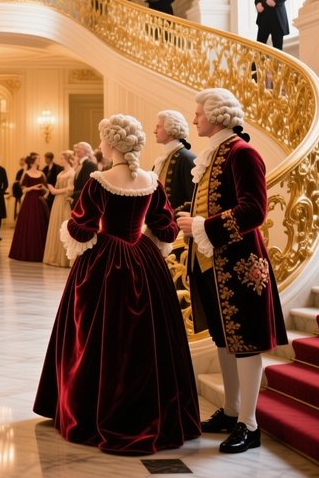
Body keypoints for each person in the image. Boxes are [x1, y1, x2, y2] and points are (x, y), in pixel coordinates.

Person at [34, 114, 201, 455]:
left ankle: (91, 410)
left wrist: (80, 230)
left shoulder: (98, 180)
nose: (100, 146)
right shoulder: (151, 180)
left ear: (112, 143)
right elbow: (166, 229)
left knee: (95, 336)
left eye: (102, 140)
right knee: (148, 338)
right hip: (144, 261)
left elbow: (81, 228)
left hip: (104, 264)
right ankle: (149, 411)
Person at [176, 88, 287, 454]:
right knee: (224, 340)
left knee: (246, 342)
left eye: (198, 114)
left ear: (216, 116)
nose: (194, 120)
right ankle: (231, 410)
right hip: (213, 264)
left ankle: (249, 424)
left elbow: (255, 210)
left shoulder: (243, 153)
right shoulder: (215, 154)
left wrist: (202, 225)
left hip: (240, 265)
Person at [151, 110, 196, 212]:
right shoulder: (162, 158)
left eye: (158, 127)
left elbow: (193, 200)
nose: (154, 131)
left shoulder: (187, 158)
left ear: (170, 128)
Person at [8, 153, 48, 262]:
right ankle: (25, 252)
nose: (40, 160)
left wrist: (45, 193)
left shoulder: (42, 174)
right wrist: (33, 187)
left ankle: (41, 253)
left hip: (39, 202)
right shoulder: (26, 173)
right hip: (29, 202)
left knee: (39, 225)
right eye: (38, 159)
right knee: (28, 225)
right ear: (32, 161)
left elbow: (46, 189)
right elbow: (23, 189)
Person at [42, 149, 75, 268]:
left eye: (61, 158)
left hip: (64, 202)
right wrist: (50, 190)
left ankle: (64, 259)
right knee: (55, 226)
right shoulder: (60, 173)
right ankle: (54, 256)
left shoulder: (71, 172)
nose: (60, 160)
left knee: (63, 225)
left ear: (66, 159)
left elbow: (70, 189)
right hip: (57, 202)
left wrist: (55, 191)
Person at [70, 141, 97, 207]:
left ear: (85, 150)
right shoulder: (80, 164)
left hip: (83, 200)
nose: (76, 149)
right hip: (78, 198)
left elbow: (87, 185)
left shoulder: (89, 164)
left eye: (79, 147)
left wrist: (73, 195)